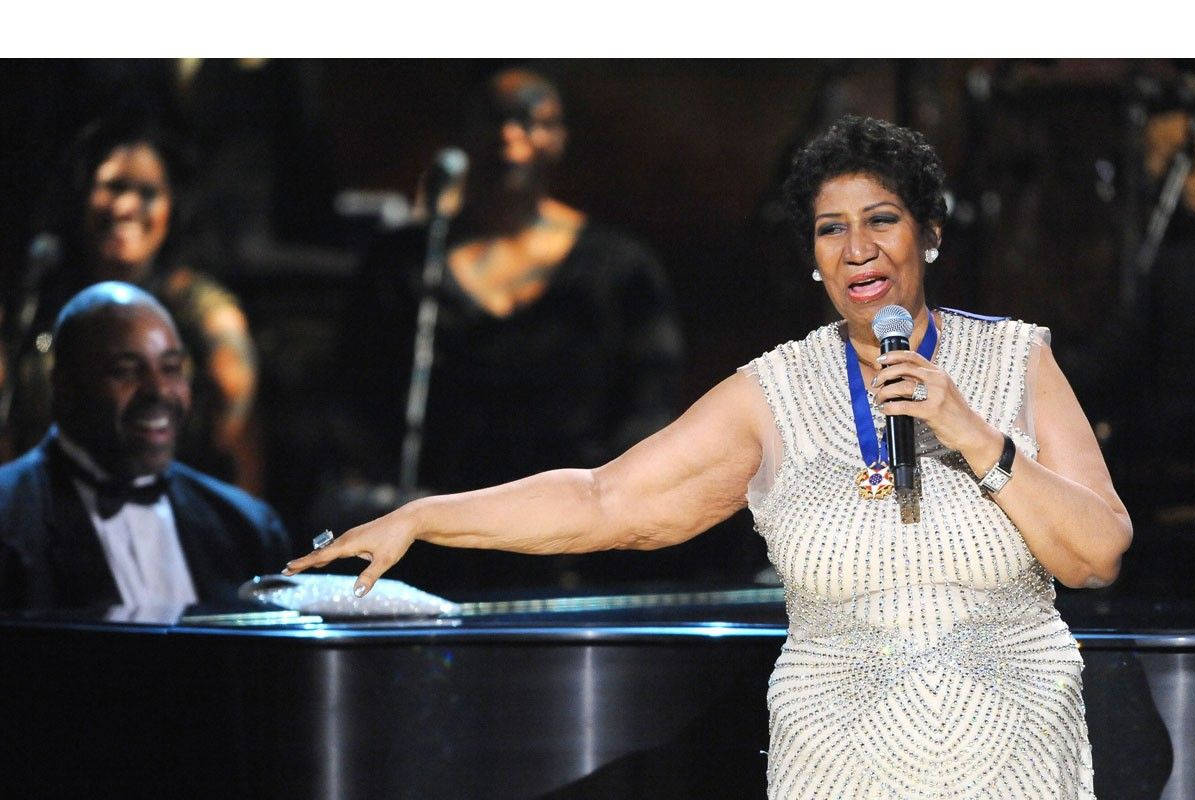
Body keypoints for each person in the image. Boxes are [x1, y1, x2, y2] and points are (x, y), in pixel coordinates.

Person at [288, 116, 1132, 798]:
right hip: (838, 771)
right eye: (830, 229)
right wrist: (427, 516)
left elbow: (1098, 552)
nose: (857, 249)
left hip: (1017, 767)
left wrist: (975, 434)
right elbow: (604, 500)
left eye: (882, 220)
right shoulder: (775, 394)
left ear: (931, 234)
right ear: (812, 257)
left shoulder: (1018, 362)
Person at [329, 68, 685, 587]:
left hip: (581, 557)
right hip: (438, 553)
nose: (509, 136)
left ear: (559, 138)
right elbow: (357, 406)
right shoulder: (407, 264)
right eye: (494, 119)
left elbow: (650, 417)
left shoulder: (620, 269)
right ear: (463, 134)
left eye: (529, 120)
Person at [1, 117, 262, 491]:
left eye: (148, 193)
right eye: (113, 187)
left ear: (172, 208)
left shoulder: (195, 303)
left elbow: (235, 398)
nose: (126, 206)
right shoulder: (38, 297)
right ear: (83, 194)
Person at [0, 282, 290, 610]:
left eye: (171, 368)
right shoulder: (9, 517)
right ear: (64, 385)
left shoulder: (247, 528)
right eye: (126, 371)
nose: (158, 391)